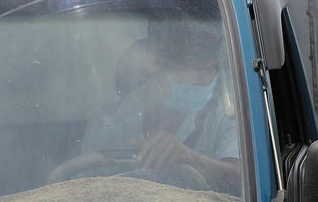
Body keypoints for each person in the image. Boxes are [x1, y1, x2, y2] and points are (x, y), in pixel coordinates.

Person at [54, 17, 240, 192]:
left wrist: (189, 158)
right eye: (195, 68)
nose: (208, 79)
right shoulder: (106, 124)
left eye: (212, 69)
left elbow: (242, 182)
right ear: (159, 65)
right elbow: (82, 191)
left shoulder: (226, 116)